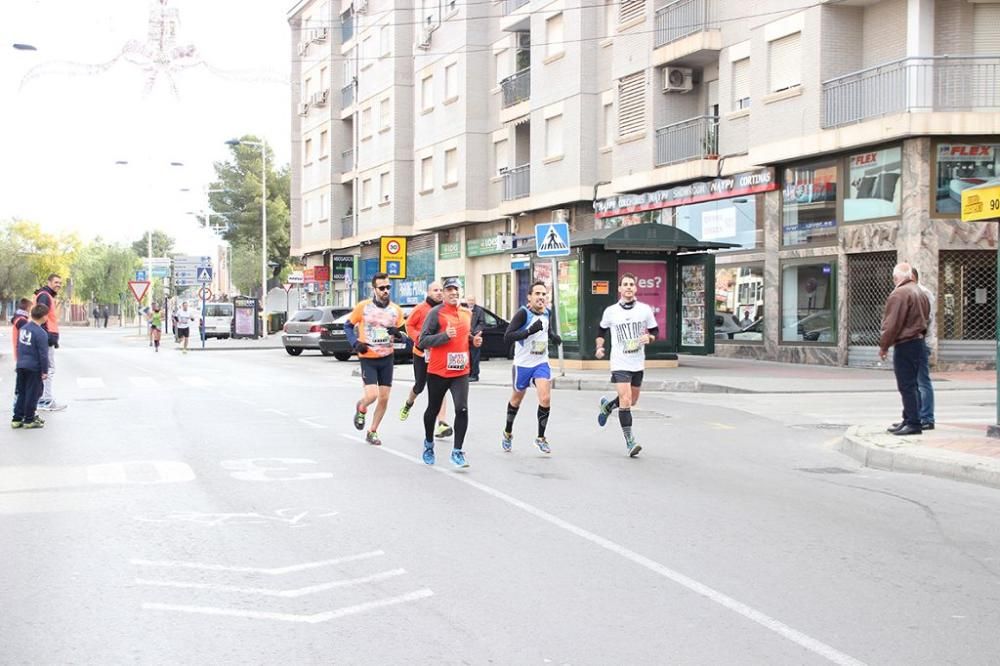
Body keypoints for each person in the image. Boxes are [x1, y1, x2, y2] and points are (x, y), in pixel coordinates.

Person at [418, 277, 483, 467]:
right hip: (438, 371)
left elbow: (464, 336)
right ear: (444, 294)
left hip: (461, 371)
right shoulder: (435, 313)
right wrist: (444, 336)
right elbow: (422, 341)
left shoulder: (466, 313)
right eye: (450, 290)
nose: (454, 293)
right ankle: (429, 444)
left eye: (457, 290)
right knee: (432, 409)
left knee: (462, 408)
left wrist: (473, 341)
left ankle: (457, 452)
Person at [594, 273, 659, 457]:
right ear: (620, 289)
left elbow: (655, 330)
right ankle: (630, 441)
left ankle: (607, 407)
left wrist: (650, 337)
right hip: (619, 361)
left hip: (637, 362)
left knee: (633, 400)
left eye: (632, 284)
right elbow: (601, 330)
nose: (629, 287)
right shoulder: (611, 311)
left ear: (636, 288)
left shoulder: (644, 310)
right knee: (626, 399)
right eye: (625, 284)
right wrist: (599, 347)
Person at [345, 272, 407, 446]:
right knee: (372, 395)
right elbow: (348, 326)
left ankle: (372, 431)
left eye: (388, 287)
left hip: (387, 357)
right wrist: (355, 343)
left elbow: (405, 334)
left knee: (384, 398)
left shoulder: (396, 310)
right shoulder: (363, 307)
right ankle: (362, 406)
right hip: (368, 357)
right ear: (374, 289)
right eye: (382, 288)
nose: (385, 290)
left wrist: (398, 334)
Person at [500, 281, 562, 454]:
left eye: (544, 294)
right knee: (516, 400)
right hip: (522, 365)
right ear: (530, 297)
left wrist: (553, 337)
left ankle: (541, 438)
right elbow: (508, 337)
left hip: (541, 363)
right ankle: (507, 432)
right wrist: (528, 331)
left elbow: (545, 331)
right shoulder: (522, 314)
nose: (541, 297)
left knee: (545, 399)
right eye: (537, 294)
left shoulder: (547, 313)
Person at [879, 262, 931, 436]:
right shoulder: (919, 291)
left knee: (906, 385)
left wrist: (884, 346)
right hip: (918, 342)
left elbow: (892, 323)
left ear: (896, 277)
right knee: (913, 384)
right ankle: (909, 419)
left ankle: (913, 423)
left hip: (906, 342)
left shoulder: (900, 294)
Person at [398, 281, 452, 437]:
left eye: (441, 290)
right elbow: (409, 326)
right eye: (435, 290)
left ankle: (442, 423)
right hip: (421, 354)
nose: (439, 293)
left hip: (438, 354)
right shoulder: (420, 309)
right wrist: (419, 339)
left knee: (440, 387)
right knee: (420, 386)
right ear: (428, 292)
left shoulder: (445, 309)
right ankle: (408, 404)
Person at [12, 304, 50, 430]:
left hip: (21, 365)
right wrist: (45, 371)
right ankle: (29, 419)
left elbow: (19, 346)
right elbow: (43, 355)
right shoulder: (41, 333)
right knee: (33, 393)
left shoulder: (24, 329)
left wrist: (18, 362)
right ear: (44, 317)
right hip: (34, 367)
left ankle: (17, 419)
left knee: (21, 392)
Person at [33, 274, 65, 411]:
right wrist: (46, 336)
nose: (58, 285)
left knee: (45, 369)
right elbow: (41, 317)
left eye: (60, 283)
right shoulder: (45, 295)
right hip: (45, 338)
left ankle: (42, 399)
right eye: (56, 282)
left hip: (46, 337)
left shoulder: (46, 295)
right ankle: (45, 400)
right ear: (49, 282)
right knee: (48, 369)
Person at [911, 268, 936, 430]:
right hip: (911, 343)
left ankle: (927, 417)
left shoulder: (923, 293)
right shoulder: (910, 292)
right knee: (913, 383)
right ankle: (916, 417)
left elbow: (925, 319)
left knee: (922, 381)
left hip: (920, 342)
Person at [465, 295, 486, 381]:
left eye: (472, 300)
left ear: (475, 301)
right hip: (465, 337)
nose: (470, 302)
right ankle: (468, 373)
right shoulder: (464, 309)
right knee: (467, 357)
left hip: (475, 337)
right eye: (469, 300)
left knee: (475, 357)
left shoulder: (479, 310)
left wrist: (475, 332)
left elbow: (482, 323)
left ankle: (475, 375)